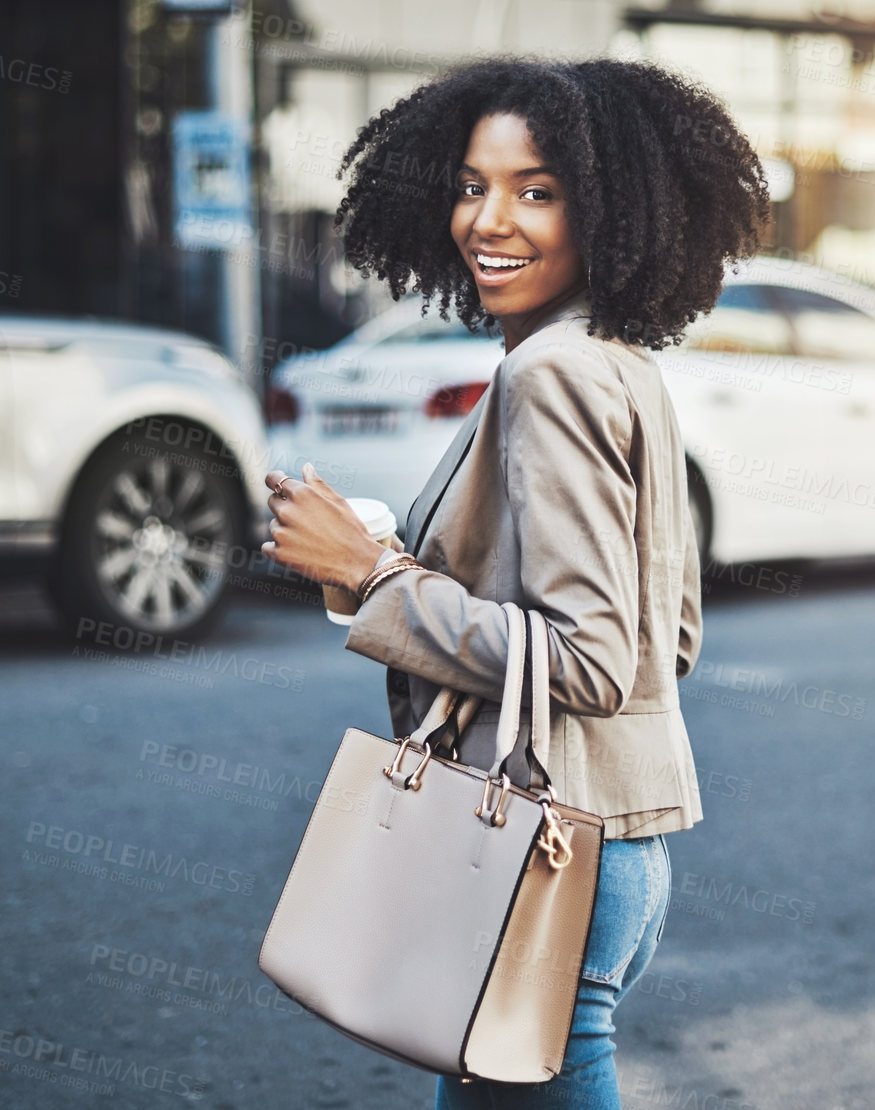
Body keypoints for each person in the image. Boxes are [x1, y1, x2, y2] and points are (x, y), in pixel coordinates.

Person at [257, 57, 768, 1109]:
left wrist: (372, 575)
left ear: (610, 207)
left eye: (536, 191)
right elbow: (663, 642)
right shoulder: (617, 360)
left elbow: (593, 659)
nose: (489, 220)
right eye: (470, 184)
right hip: (610, 848)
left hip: (544, 856)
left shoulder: (552, 374)